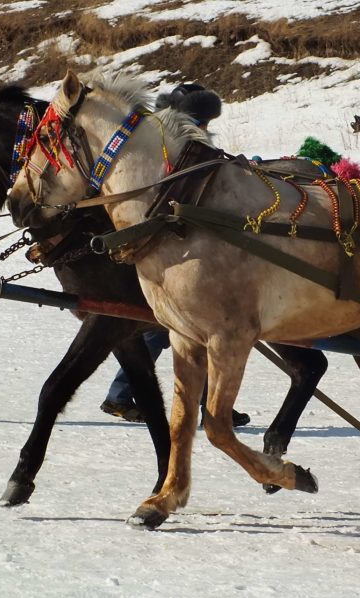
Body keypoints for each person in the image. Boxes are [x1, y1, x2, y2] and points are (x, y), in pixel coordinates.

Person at [100, 83, 250, 427]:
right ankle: (125, 396)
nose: (205, 129)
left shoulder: (168, 143)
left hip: (176, 250)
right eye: (202, 122)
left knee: (186, 331)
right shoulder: (174, 149)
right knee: (193, 328)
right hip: (174, 253)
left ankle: (125, 396)